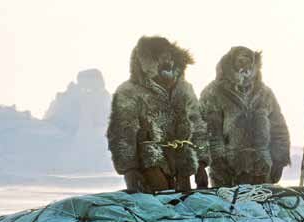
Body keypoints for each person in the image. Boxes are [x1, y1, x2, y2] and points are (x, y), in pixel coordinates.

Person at [107, 36, 209, 193]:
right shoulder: (129, 91)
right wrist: (129, 170)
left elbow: (198, 126)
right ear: (148, 60)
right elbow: (122, 133)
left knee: (181, 211)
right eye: (160, 56)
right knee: (157, 208)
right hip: (149, 164)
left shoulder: (184, 89)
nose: (167, 60)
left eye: (169, 55)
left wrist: (201, 163)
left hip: (182, 164)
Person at [199, 46, 290, 187]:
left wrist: (279, 160)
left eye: (248, 62)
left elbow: (279, 129)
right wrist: (217, 161)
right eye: (240, 61)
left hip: (262, 169)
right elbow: (209, 133)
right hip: (228, 171)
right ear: (230, 63)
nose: (245, 66)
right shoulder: (213, 93)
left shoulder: (265, 93)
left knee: (262, 206)